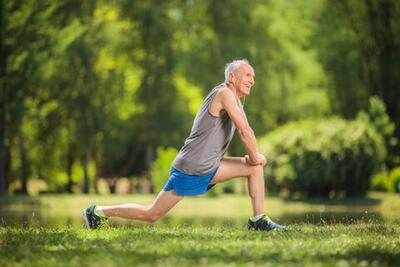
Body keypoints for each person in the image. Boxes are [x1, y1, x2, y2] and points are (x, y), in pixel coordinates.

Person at [83, 59, 286, 231]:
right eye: (248, 75)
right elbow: (245, 131)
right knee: (152, 214)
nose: (253, 80)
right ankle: (97, 212)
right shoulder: (224, 94)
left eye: (253, 77)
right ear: (232, 77)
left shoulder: (234, 99)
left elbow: (245, 131)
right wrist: (254, 155)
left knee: (254, 168)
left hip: (208, 165)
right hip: (193, 167)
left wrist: (253, 159)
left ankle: (258, 220)